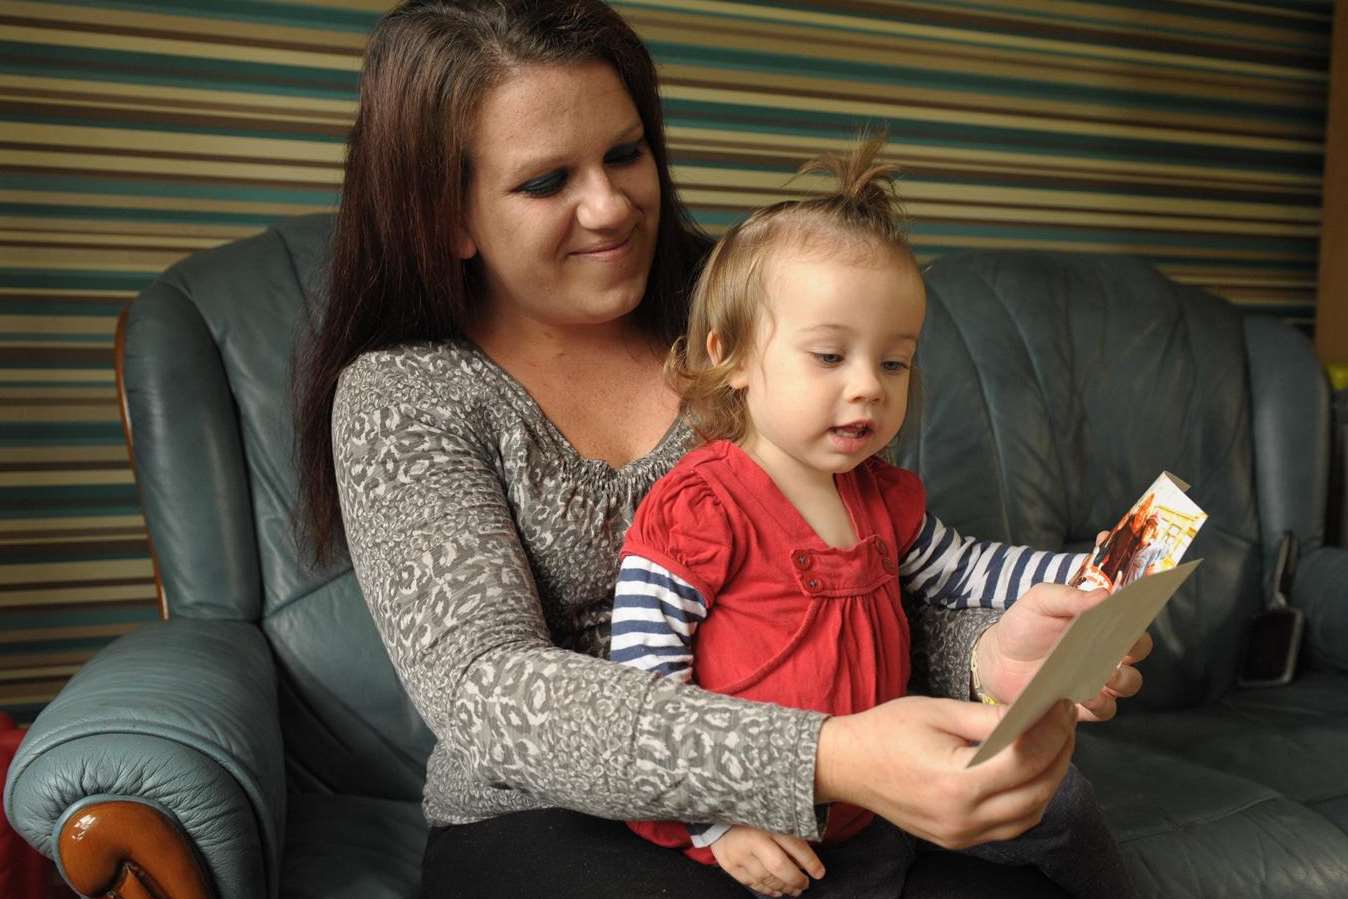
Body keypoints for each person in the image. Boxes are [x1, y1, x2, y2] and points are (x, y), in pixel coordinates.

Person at [293, 2, 1152, 896]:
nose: (611, 204)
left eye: (625, 154)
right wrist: (826, 756)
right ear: (448, 218)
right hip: (548, 816)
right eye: (547, 181)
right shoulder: (407, 396)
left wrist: (991, 653)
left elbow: (852, 584)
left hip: (832, 784)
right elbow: (491, 692)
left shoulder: (759, 323)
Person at [608, 137, 1135, 899]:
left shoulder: (880, 494)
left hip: (887, 798)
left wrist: (1089, 570)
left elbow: (968, 570)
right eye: (830, 357)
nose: (869, 388)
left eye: (894, 362)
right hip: (762, 823)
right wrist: (715, 822)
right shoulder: (701, 506)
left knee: (1066, 802)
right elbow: (644, 687)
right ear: (733, 358)